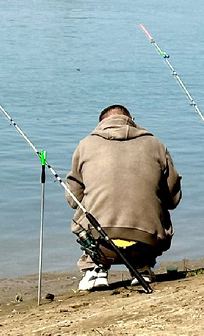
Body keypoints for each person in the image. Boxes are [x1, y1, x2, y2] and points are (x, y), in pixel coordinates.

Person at [66, 104, 182, 291]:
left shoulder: (85, 145)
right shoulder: (156, 145)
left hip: (101, 246)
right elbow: (173, 200)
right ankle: (141, 265)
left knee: (83, 213)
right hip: (147, 242)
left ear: (101, 124)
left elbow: (73, 200)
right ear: (132, 120)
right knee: (157, 209)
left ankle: (95, 268)